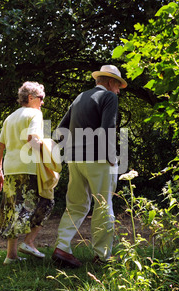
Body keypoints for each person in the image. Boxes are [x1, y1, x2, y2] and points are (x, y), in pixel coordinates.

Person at [52, 65, 127, 268]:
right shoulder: (109, 98)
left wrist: (51, 153)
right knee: (103, 205)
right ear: (111, 82)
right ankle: (102, 256)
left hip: (74, 159)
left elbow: (60, 131)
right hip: (98, 158)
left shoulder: (79, 97)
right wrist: (111, 155)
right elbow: (107, 128)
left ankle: (62, 247)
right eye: (118, 85)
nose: (119, 90)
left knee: (75, 205)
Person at [0, 81, 55, 265]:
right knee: (47, 202)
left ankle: (11, 256)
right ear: (31, 98)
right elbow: (32, 139)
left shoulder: (10, 118)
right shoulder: (35, 114)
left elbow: (0, 146)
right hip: (29, 169)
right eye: (41, 98)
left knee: (13, 210)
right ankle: (29, 242)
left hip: (11, 170)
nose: (43, 102)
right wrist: (48, 161)